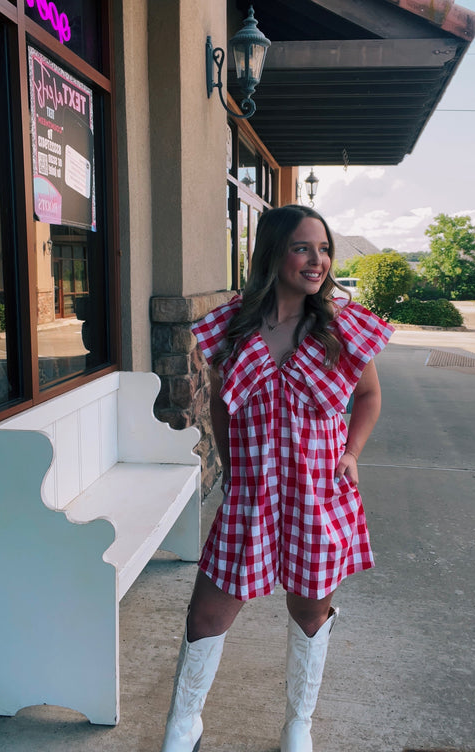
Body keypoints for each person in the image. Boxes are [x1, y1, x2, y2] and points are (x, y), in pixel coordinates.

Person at [160, 204, 393, 752]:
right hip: (253, 493)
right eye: (302, 248)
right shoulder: (232, 328)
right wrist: (234, 463)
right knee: (207, 611)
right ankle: (183, 723)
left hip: (318, 493)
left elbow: (368, 396)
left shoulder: (342, 328)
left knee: (309, 609)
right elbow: (221, 402)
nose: (318, 261)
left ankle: (297, 725)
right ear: (272, 254)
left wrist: (352, 451)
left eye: (324, 249)